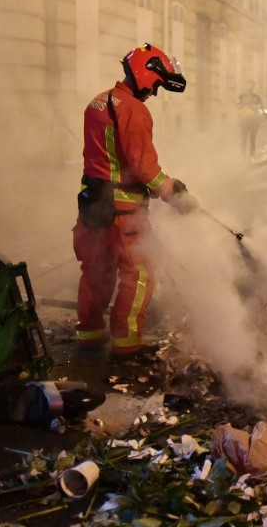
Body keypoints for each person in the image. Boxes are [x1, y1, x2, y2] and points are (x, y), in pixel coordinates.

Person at [73, 43, 198, 358]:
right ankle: (127, 345)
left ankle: (89, 334)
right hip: (123, 209)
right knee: (138, 272)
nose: (155, 92)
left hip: (92, 202)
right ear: (147, 72)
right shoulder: (133, 109)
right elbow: (144, 168)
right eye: (157, 84)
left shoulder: (98, 103)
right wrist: (173, 192)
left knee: (96, 268)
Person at [236, 80, 267, 160]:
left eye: (252, 85)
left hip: (254, 121)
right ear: (246, 86)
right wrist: (243, 105)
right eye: (249, 85)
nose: (250, 87)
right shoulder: (241, 96)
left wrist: (256, 108)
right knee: (244, 138)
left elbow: (261, 106)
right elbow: (237, 106)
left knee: (252, 139)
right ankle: (243, 156)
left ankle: (252, 156)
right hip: (244, 120)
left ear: (254, 87)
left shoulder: (256, 97)